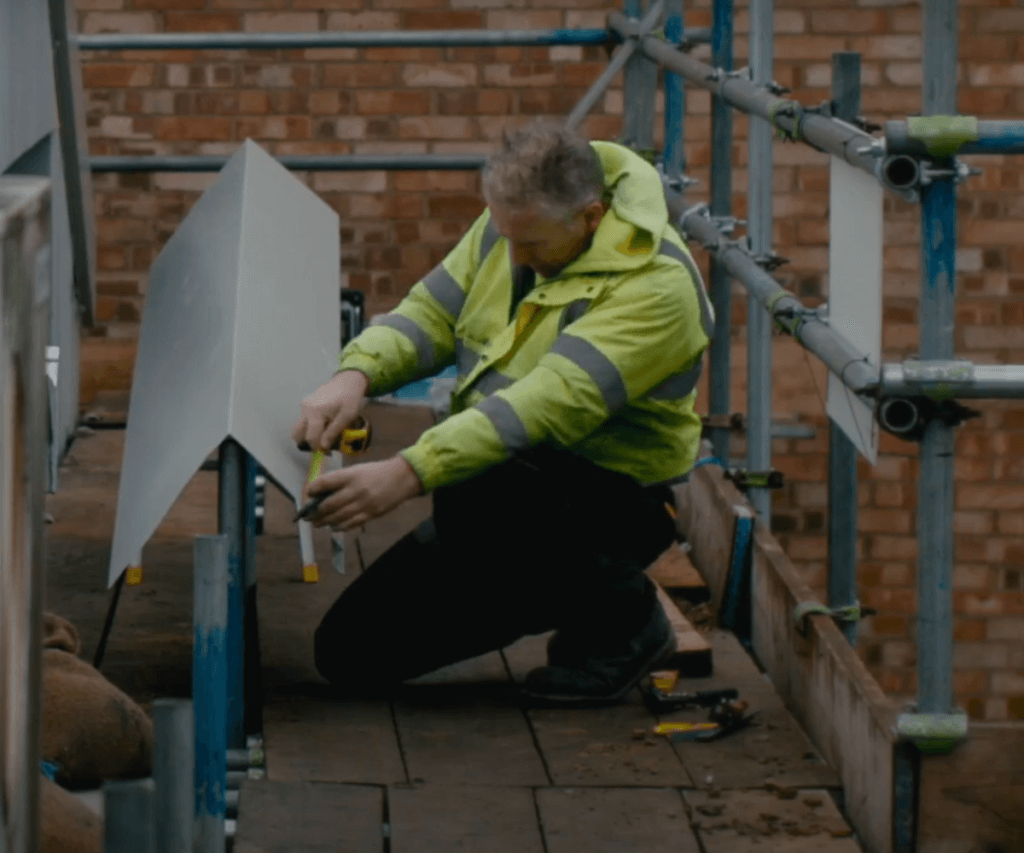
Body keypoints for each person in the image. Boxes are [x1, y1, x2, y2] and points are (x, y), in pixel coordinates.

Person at [291, 121, 714, 706]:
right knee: (347, 654)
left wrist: (403, 475)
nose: (513, 256)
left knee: (486, 482)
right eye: (504, 234)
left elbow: (537, 408)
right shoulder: (514, 225)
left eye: (532, 245)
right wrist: (354, 375)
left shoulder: (658, 289)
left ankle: (623, 619)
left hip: (607, 505)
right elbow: (432, 315)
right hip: (496, 489)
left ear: (590, 218)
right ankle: (529, 581)